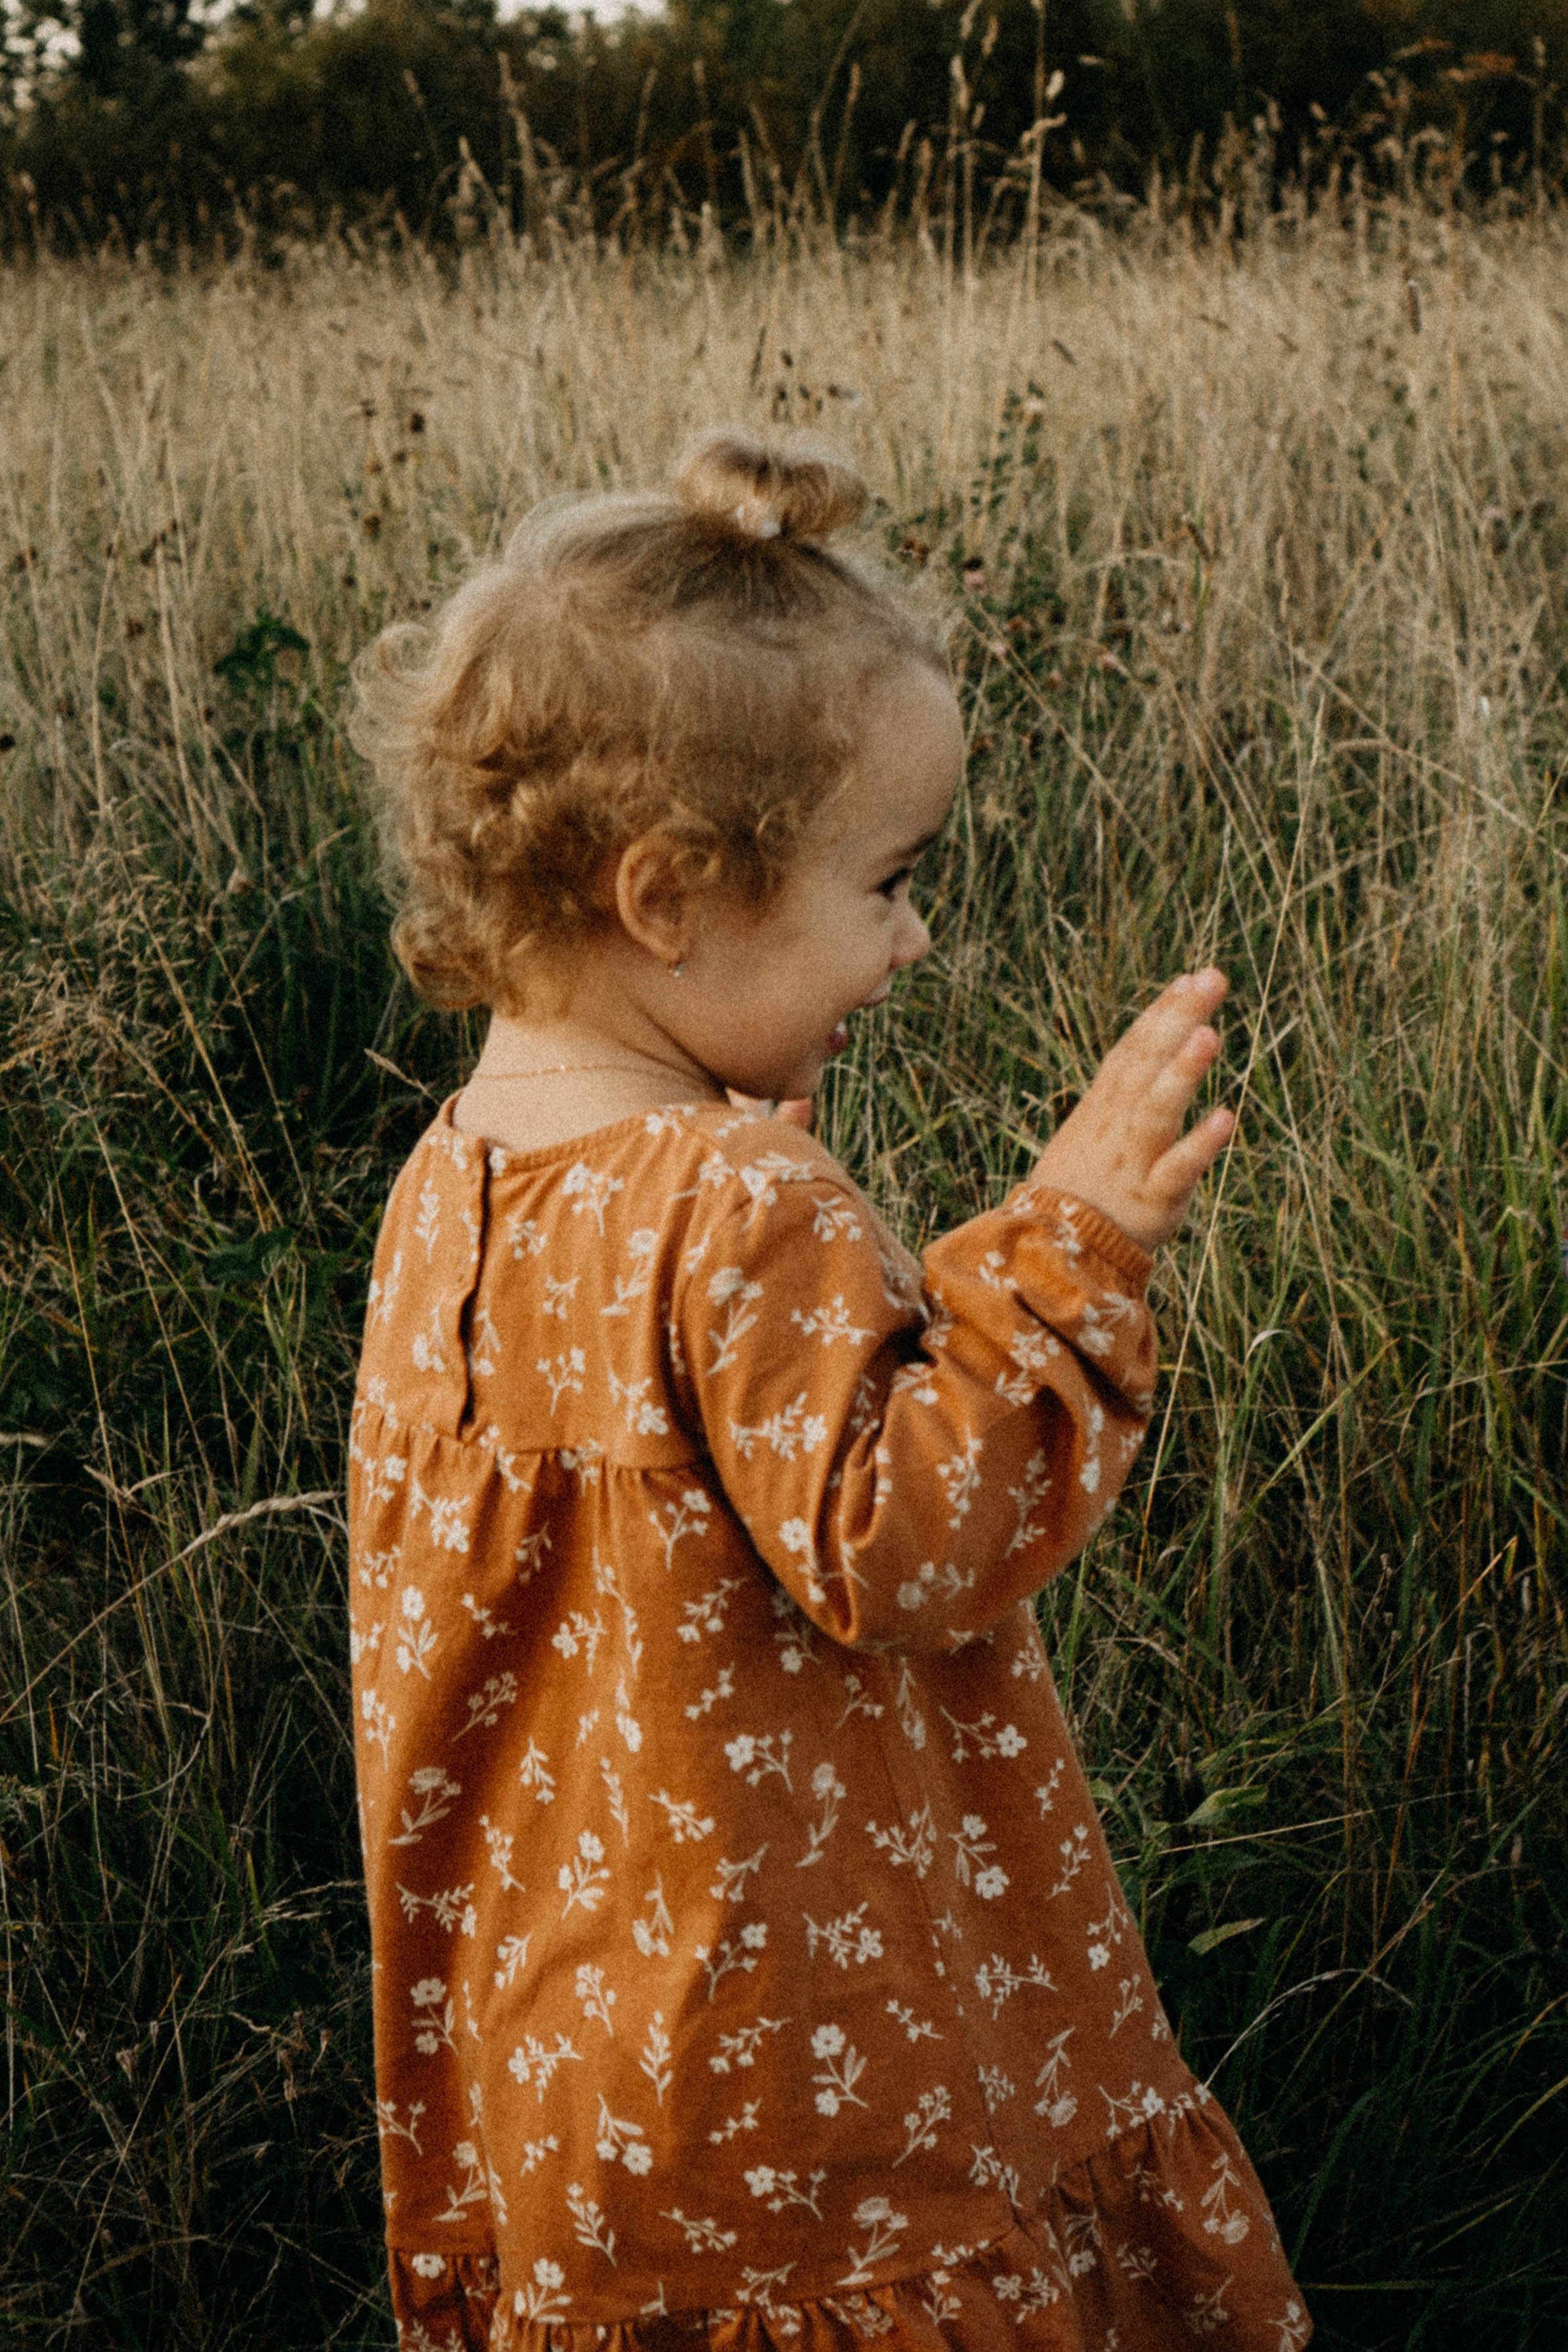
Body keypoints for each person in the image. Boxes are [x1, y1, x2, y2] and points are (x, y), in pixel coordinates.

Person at [345, 428, 1311, 2352]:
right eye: (885, 882)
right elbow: (908, 1540)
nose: (914, 935)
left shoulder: (456, 1172)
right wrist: (1071, 1245)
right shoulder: (732, 1190)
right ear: (666, 894)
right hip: (805, 2071)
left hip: (578, 2041)